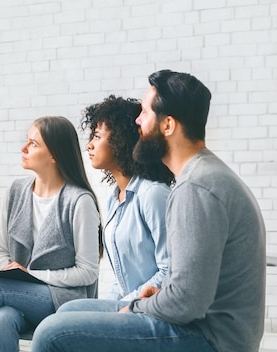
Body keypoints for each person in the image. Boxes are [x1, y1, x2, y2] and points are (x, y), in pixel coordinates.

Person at [31, 70, 266, 352]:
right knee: (70, 312)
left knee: (51, 334)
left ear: (168, 125)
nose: (138, 122)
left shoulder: (195, 188)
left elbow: (187, 302)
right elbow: (188, 289)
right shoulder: (203, 176)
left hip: (211, 339)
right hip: (202, 326)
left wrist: (136, 307)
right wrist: (156, 297)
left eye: (144, 113)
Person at [0, 116, 101, 352]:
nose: (23, 148)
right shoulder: (16, 191)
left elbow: (87, 273)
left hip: (63, 299)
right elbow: (2, 251)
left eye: (33, 144)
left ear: (54, 155)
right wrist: (12, 273)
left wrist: (32, 275)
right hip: (20, 296)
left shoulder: (79, 201)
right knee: (2, 318)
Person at [82, 95, 174, 301]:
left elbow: (170, 270)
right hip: (127, 304)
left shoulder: (153, 195)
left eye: (97, 136)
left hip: (149, 308)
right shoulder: (114, 198)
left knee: (60, 324)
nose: (89, 145)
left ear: (120, 141)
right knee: (66, 314)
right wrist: (109, 307)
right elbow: (122, 281)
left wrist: (125, 306)